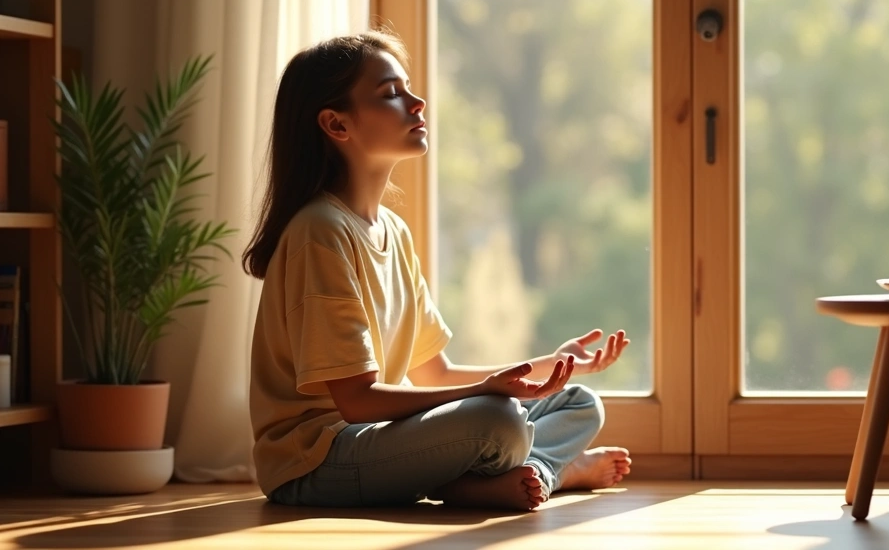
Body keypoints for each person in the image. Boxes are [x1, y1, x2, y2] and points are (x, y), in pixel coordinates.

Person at [243, 30, 632, 511]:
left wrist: (548, 365)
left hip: (381, 439)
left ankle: (518, 473)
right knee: (500, 420)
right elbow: (357, 403)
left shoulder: (393, 231)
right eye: (391, 93)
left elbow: (434, 372)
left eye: (407, 88)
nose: (417, 101)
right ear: (336, 125)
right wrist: (485, 393)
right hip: (317, 461)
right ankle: (541, 469)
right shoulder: (319, 231)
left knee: (578, 402)